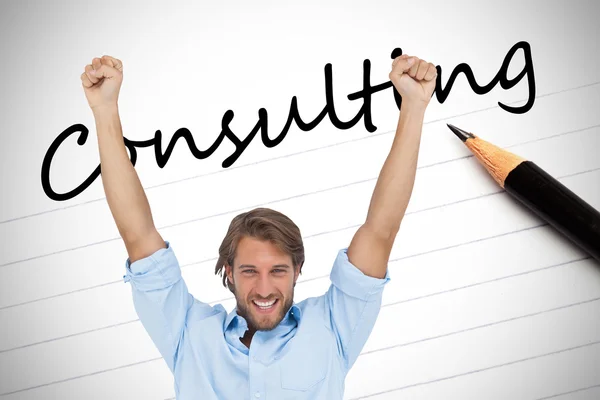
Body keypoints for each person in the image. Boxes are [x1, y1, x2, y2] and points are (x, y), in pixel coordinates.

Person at [81, 52, 437, 399]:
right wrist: (104, 110)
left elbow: (381, 229)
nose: (264, 288)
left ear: (298, 270)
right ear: (229, 272)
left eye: (278, 270)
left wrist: (414, 107)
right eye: (250, 270)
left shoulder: (332, 327)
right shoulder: (188, 333)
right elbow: (137, 232)